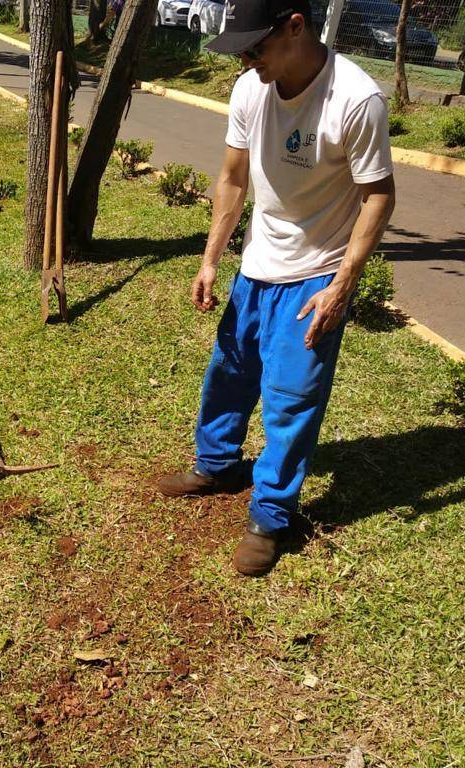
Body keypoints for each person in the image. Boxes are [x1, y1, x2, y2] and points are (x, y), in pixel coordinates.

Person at [155, 0, 396, 575]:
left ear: (295, 26)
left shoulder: (355, 99)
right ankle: (216, 465)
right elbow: (233, 178)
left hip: (316, 274)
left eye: (254, 47)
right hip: (256, 265)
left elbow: (379, 196)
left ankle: (270, 516)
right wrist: (211, 260)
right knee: (229, 374)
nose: (245, 60)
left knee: (291, 398)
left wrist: (342, 285)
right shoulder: (249, 89)